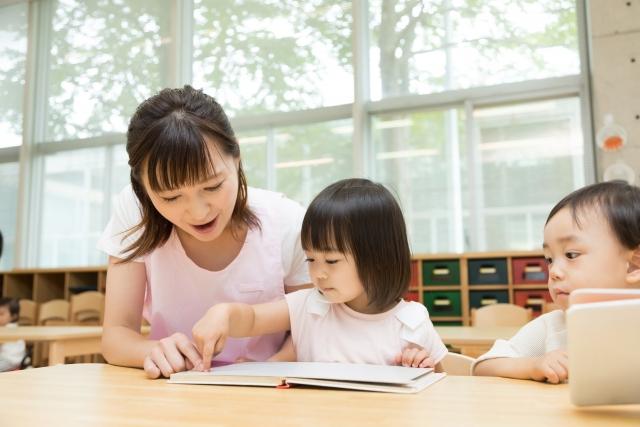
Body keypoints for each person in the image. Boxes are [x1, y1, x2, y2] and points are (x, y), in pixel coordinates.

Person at [98, 86, 310, 379]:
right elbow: (116, 335)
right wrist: (154, 351)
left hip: (269, 387)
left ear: (236, 156)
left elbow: (312, 326)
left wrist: (268, 370)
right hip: (173, 387)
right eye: (171, 197)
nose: (198, 213)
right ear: (142, 187)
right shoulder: (135, 211)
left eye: (212, 186)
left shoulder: (286, 221)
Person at [192, 178, 448, 370]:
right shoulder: (310, 306)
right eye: (311, 259)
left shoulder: (411, 322)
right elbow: (252, 319)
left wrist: (422, 365)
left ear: (378, 259)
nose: (318, 274)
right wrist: (224, 314)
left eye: (332, 261)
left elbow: (441, 385)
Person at [473, 181, 640, 383]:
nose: (553, 272)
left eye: (571, 255)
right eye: (550, 259)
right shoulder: (552, 326)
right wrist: (533, 365)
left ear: (633, 266)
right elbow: (483, 367)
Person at [0, 297, 27, 372]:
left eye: (1, 314)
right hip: (9, 359)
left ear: (13, 316)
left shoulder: (9, 328)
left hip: (10, 360)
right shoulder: (11, 327)